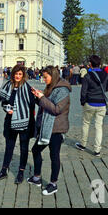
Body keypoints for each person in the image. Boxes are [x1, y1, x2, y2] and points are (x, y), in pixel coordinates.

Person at [28, 66, 72, 196]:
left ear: (52, 76)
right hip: (46, 127)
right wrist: (38, 97)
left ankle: (53, 184)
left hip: (56, 128)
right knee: (36, 150)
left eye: (45, 77)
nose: (43, 79)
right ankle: (37, 177)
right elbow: (45, 104)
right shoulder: (50, 87)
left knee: (54, 155)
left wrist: (42, 98)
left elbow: (56, 109)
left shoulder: (63, 90)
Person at [0, 64, 36, 185]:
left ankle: (21, 172)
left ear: (23, 75)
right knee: (9, 147)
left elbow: (32, 104)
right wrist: (7, 108)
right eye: (16, 74)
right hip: (10, 121)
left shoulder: (27, 88)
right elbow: (3, 101)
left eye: (20, 74)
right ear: (13, 74)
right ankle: (4, 170)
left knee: (23, 148)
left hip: (24, 122)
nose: (17, 76)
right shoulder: (8, 86)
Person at [75, 55, 108, 157]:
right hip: (102, 103)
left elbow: (83, 91)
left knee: (86, 123)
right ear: (100, 63)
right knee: (99, 126)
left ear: (90, 64)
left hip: (90, 103)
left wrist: (82, 102)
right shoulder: (105, 74)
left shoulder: (87, 76)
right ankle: (97, 150)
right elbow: (106, 89)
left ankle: (83, 144)